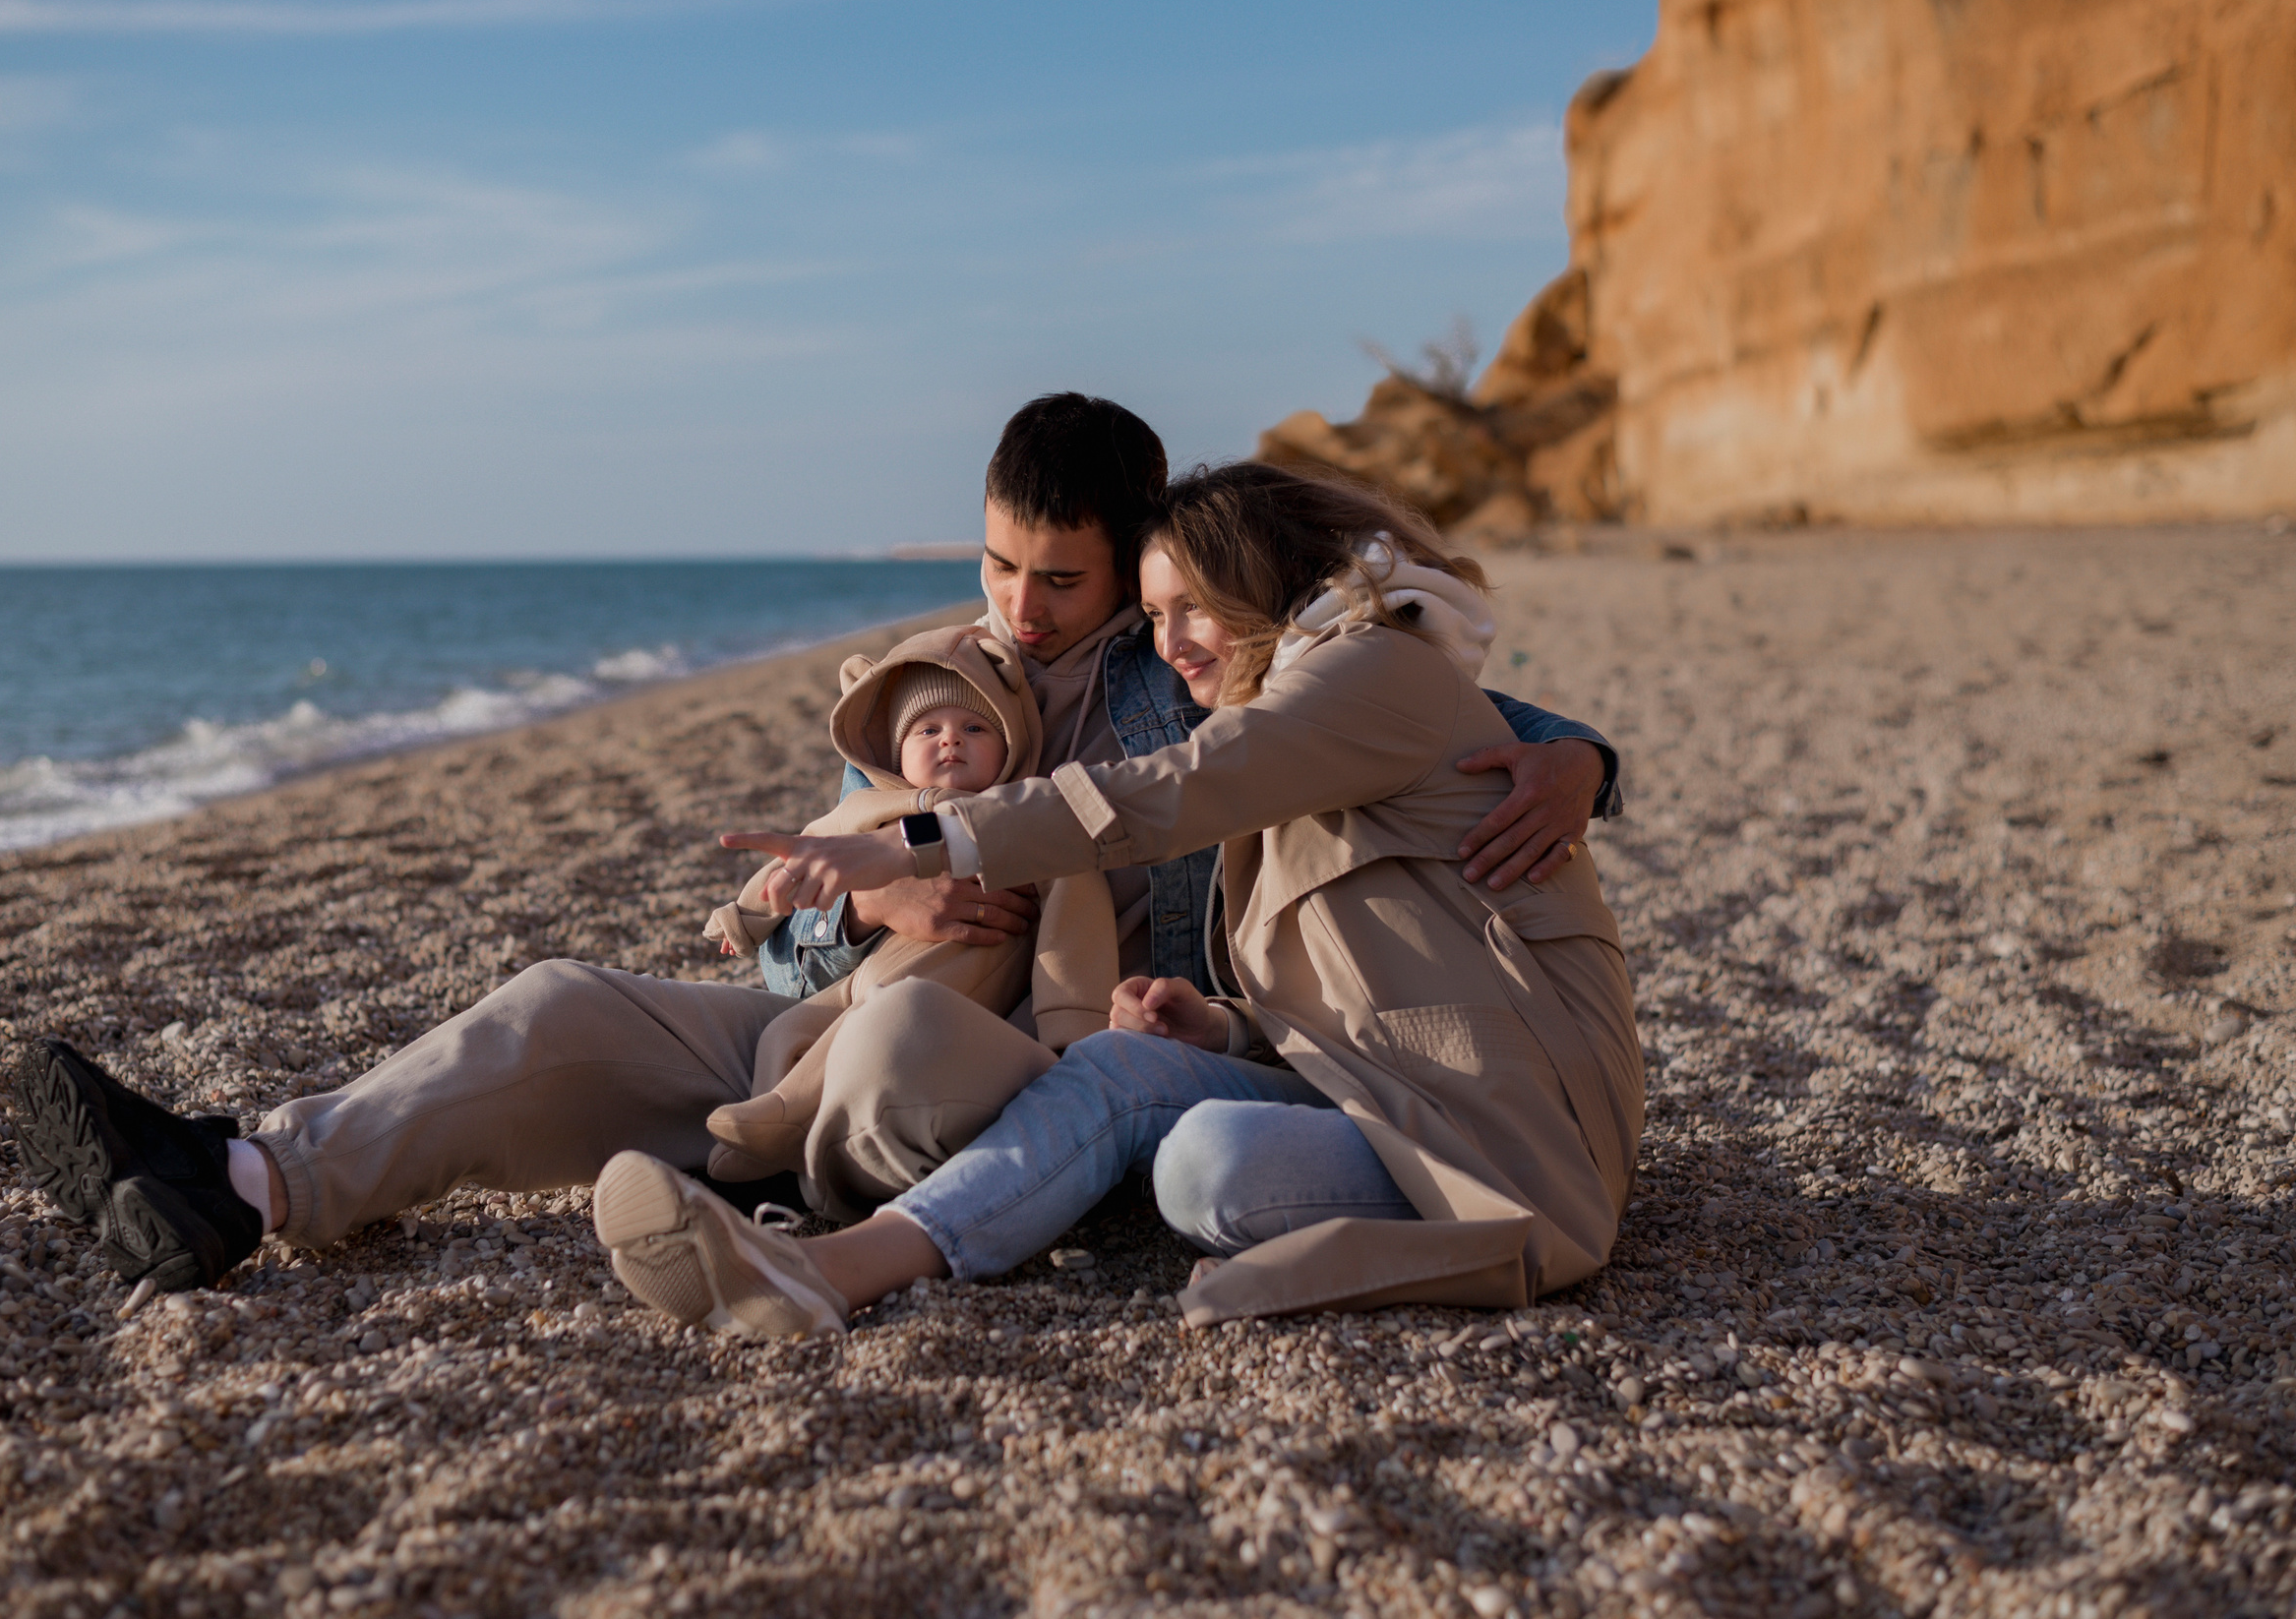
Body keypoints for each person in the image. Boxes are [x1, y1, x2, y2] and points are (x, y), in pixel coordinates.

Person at [10, 396, 1620, 1295]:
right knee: (569, 998)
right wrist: (868, 904)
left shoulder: (1208, 676)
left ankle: (776, 1202)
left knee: (905, 1044)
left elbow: (1444, 718)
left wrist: (1582, 761)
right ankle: (243, 1172)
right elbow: (797, 925)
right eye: (1001, 567)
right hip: (867, 999)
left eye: (1063, 582)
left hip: (1061, 1052)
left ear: (1133, 576)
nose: (1021, 607)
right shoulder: (950, 680)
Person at [592, 462, 1642, 1337]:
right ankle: (825, 1270)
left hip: (1509, 1127)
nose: (1173, 638)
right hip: (1390, 1083)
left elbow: (1168, 792)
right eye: (1151, 614)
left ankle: (824, 1266)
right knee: (1136, 1084)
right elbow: (1364, 968)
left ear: (1265, 582)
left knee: (1203, 1165)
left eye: (1192, 606)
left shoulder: (1370, 672)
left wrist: (915, 842)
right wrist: (1225, 1027)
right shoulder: (1301, 710)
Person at [699, 623, 1115, 1185]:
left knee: (875, 1028)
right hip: (871, 961)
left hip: (955, 965)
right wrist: (746, 918)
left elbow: (1076, 898)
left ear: (1010, 745)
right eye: (928, 729)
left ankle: (784, 1116)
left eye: (974, 727)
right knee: (785, 1033)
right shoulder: (870, 807)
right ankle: (752, 1141)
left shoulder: (1020, 815)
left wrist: (1074, 1021)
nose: (951, 740)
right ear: (898, 750)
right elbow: (801, 854)